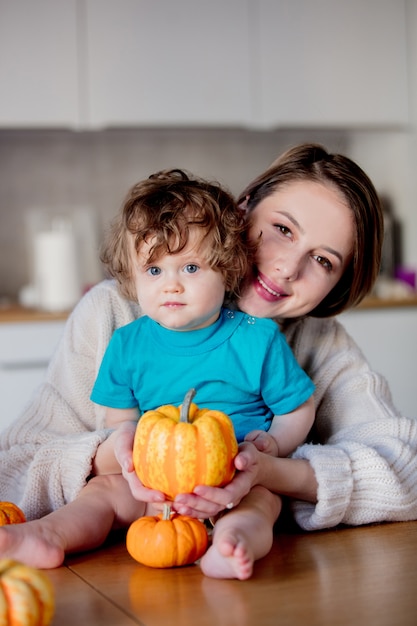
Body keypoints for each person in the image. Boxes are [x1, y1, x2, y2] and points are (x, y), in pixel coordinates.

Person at [1, 143, 416, 576]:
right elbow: (12, 468)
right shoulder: (116, 314)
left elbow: (407, 475)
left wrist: (267, 472)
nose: (288, 267)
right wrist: (123, 455)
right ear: (241, 211)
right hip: (134, 533)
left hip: (254, 536)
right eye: (283, 229)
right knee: (103, 495)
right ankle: (50, 536)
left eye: (322, 260)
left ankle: (232, 545)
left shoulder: (317, 342)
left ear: (338, 284)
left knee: (257, 510)